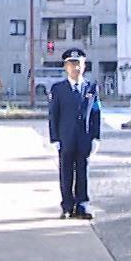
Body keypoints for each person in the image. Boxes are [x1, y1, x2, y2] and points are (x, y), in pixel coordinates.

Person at [49, 48, 101, 220]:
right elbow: (53, 115)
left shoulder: (91, 88)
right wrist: (54, 138)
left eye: (78, 64)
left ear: (84, 66)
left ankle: (82, 205)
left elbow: (95, 113)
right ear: (66, 67)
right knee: (66, 173)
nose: (75, 68)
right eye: (71, 64)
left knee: (82, 172)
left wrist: (96, 137)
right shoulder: (58, 89)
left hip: (84, 138)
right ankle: (67, 206)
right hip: (65, 138)